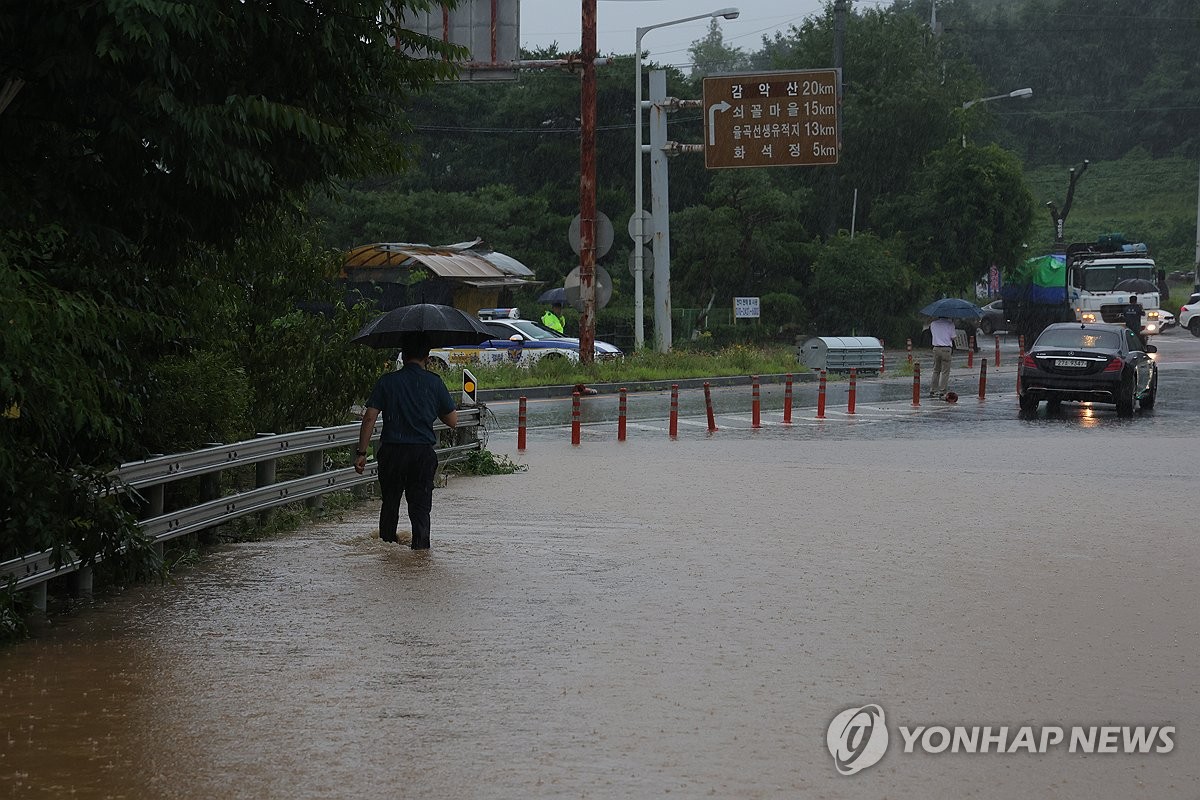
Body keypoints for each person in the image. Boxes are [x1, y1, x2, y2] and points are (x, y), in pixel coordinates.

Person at [354, 333, 457, 550]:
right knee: (420, 509)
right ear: (427, 356)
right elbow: (453, 421)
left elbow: (369, 417)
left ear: (403, 354)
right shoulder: (434, 383)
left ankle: (386, 550)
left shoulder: (387, 382)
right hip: (422, 454)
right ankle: (420, 553)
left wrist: (361, 453)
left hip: (392, 453)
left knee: (390, 504)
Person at [928, 316, 956, 399]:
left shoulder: (933, 324)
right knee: (945, 371)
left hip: (936, 348)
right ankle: (942, 391)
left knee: (936, 370)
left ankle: (933, 390)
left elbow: (933, 334)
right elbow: (953, 337)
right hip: (946, 349)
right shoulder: (950, 324)